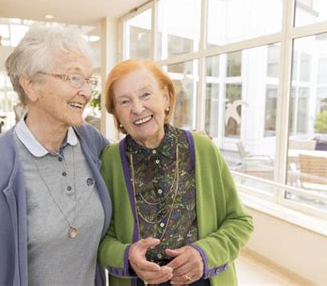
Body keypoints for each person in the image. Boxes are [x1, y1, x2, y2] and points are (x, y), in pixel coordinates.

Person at [0, 25, 112, 285]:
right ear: (31, 86)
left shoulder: (91, 142)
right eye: (74, 78)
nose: (86, 91)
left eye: (89, 80)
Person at [98, 60, 253, 285]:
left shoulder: (203, 149)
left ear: (166, 98)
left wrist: (204, 254)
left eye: (145, 95)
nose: (138, 108)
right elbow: (100, 239)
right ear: (117, 116)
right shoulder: (109, 160)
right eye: (124, 101)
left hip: (202, 279)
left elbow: (240, 222)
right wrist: (127, 257)